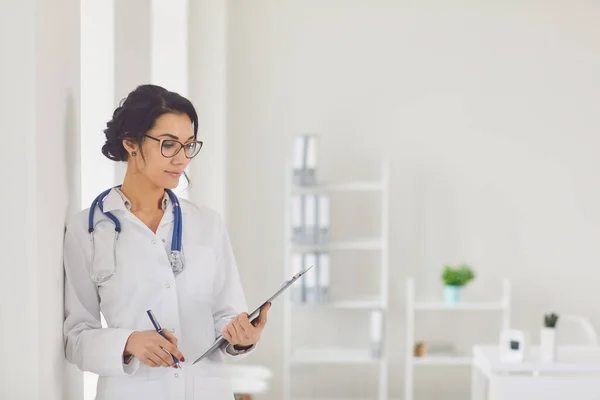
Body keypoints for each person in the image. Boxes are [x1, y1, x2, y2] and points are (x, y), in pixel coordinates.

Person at [63, 84, 270, 399]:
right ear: (131, 143)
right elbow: (76, 337)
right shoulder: (86, 230)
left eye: (189, 145)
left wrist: (242, 336)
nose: (182, 159)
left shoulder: (206, 224)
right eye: (169, 144)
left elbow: (228, 316)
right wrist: (129, 342)